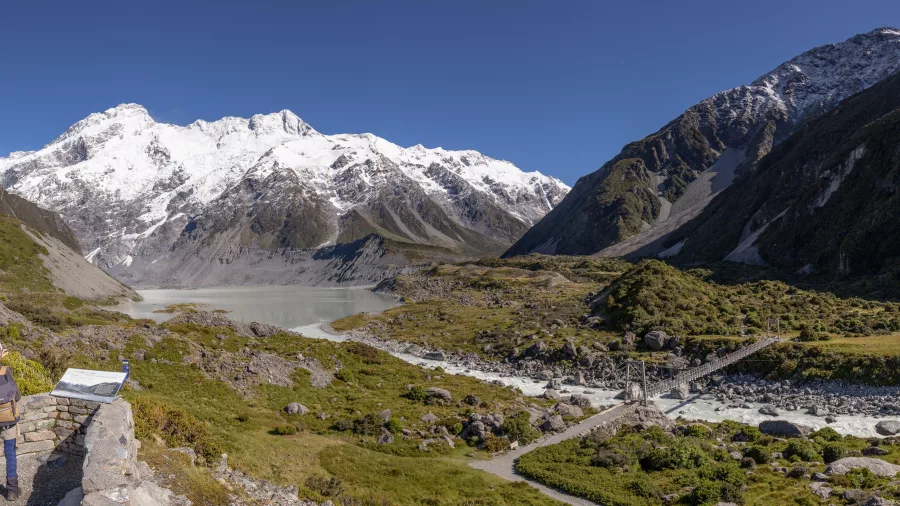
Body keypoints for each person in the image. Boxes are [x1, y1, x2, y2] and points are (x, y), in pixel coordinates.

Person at [0, 345, 21, 501]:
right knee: (10, 454)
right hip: (8, 419)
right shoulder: (5, 370)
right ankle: (12, 491)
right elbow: (17, 396)